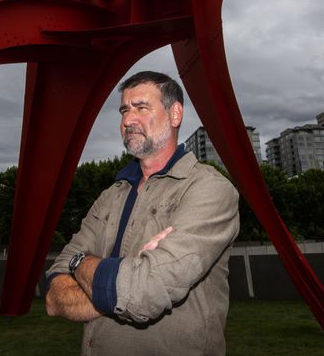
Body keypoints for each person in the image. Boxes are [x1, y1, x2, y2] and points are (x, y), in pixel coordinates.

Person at [45, 71, 240, 355]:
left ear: (175, 115)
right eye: (124, 110)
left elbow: (141, 294)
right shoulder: (111, 195)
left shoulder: (210, 190)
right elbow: (53, 293)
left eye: (141, 107)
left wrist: (81, 266)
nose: (127, 120)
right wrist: (110, 282)